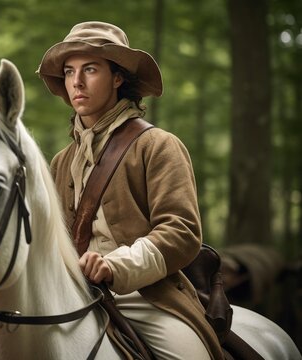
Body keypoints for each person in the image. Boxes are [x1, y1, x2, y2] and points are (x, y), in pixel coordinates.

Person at [37, 21, 224, 359]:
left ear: (118, 77)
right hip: (70, 296)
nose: (76, 82)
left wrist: (114, 266)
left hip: (147, 297)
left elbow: (181, 232)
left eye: (90, 69)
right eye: (69, 72)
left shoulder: (158, 145)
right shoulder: (61, 162)